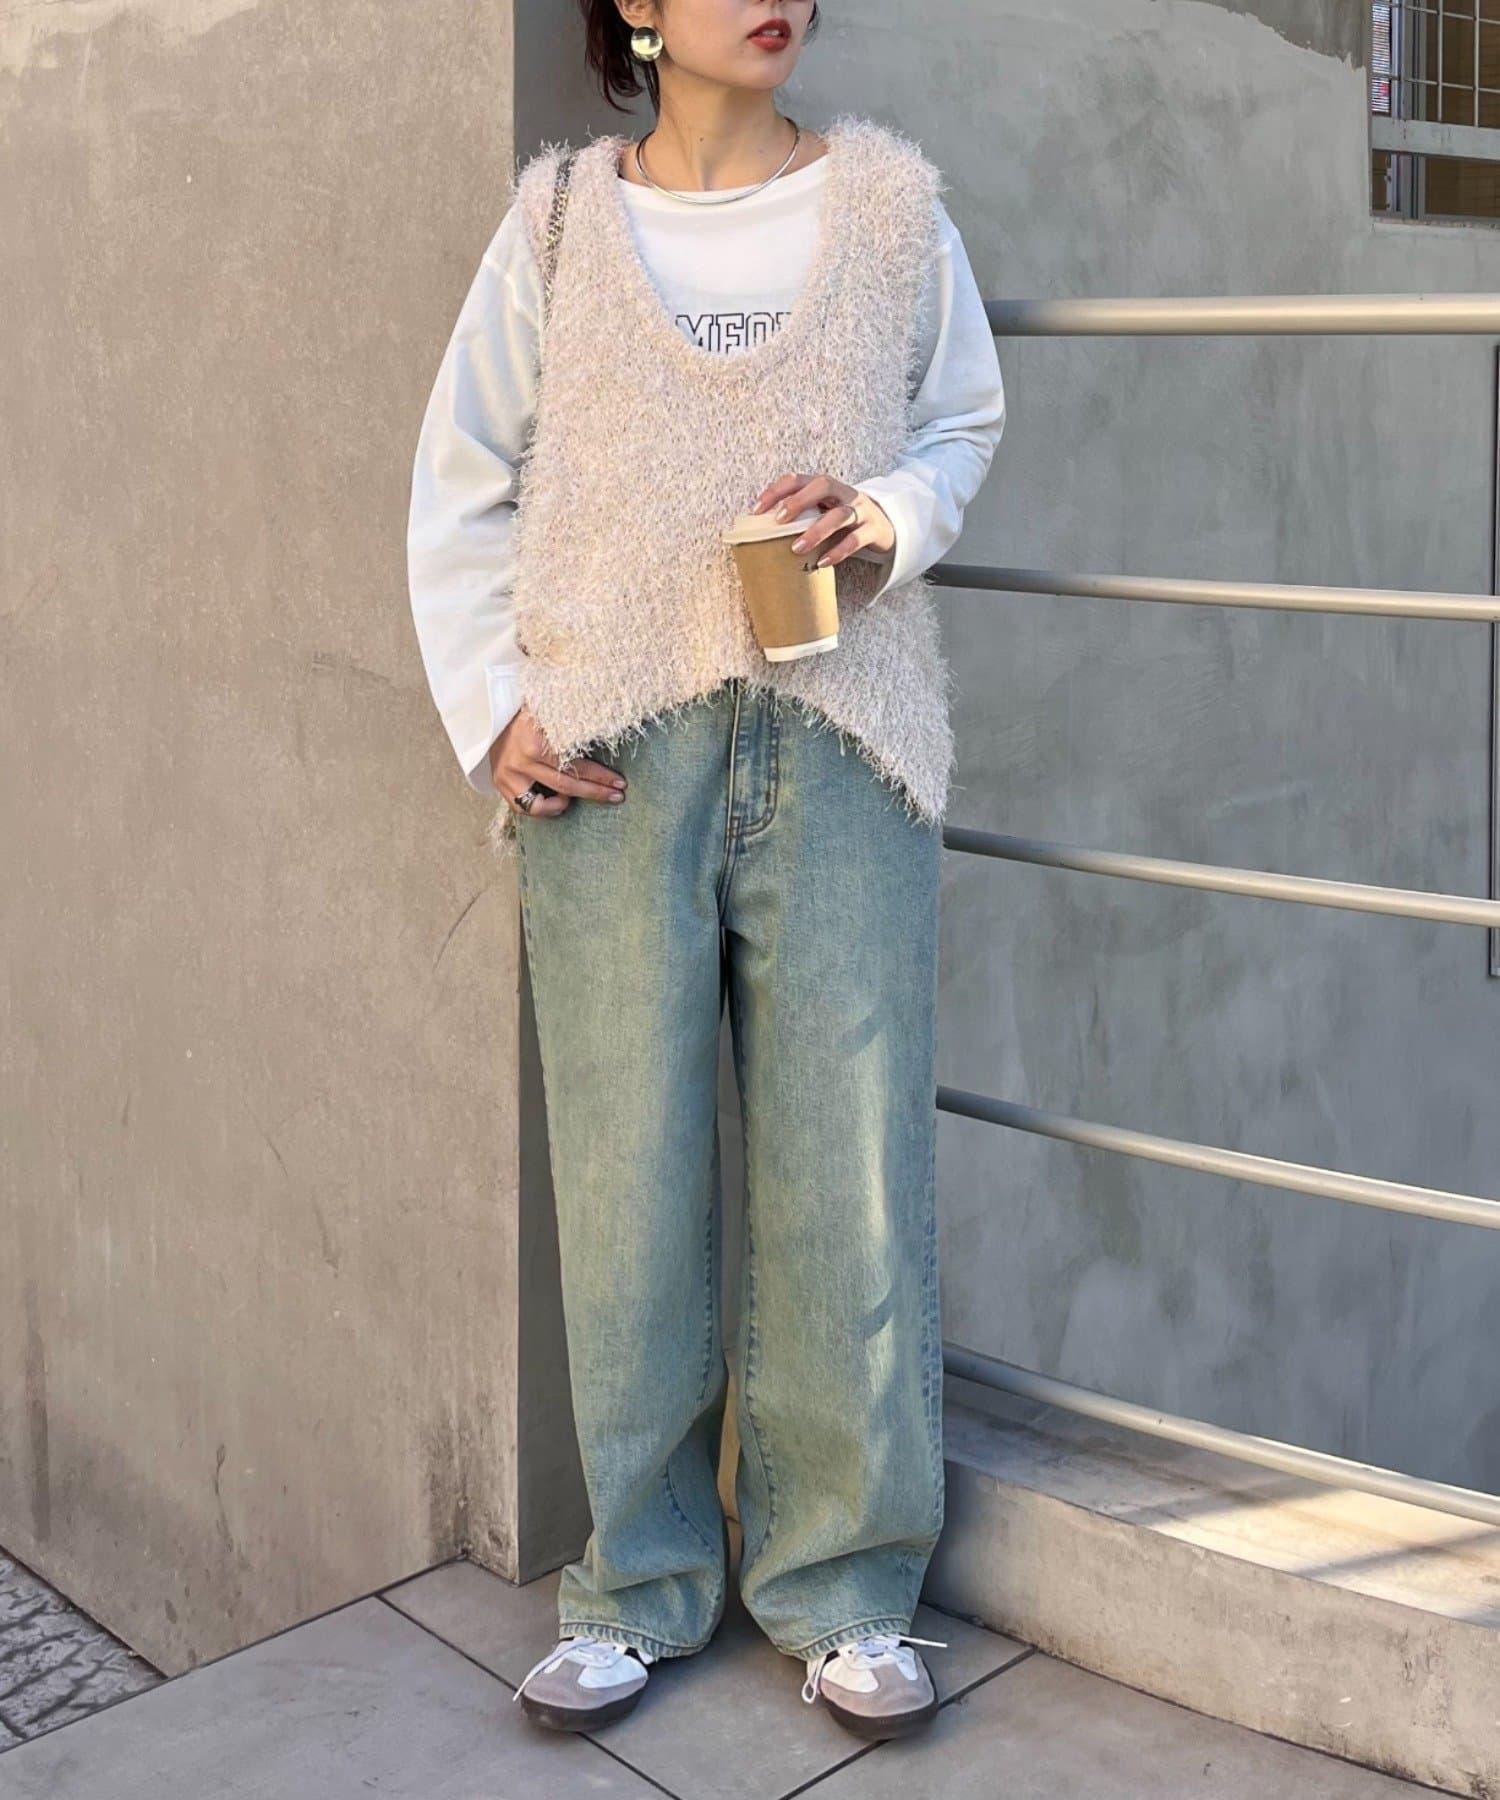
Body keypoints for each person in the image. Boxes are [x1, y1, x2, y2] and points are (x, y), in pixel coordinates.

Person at [406, 0, 1005, 1744]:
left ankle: (847, 1585)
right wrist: (491, 713)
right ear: (639, 13)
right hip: (610, 762)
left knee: (852, 1172)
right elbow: (459, 483)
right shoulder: (558, 223)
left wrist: (888, 514)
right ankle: (638, 1584)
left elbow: (963, 422)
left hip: (845, 738)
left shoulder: (890, 206)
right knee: (628, 1177)